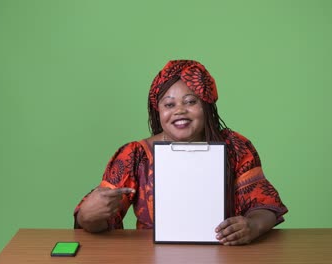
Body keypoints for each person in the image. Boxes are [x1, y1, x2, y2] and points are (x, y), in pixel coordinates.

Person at [74, 60, 288, 245]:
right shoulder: (135, 155)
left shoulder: (235, 147)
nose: (179, 110)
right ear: (158, 112)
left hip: (225, 253)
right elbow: (100, 218)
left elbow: (264, 205)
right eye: (169, 104)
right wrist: (88, 216)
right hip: (152, 256)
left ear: (206, 105)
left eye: (190, 101)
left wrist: (253, 225)